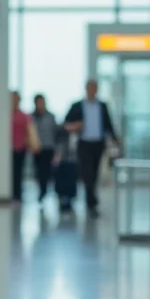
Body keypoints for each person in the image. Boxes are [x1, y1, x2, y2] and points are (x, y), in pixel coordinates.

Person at [64, 79, 119, 218]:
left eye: (95, 88)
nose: (93, 91)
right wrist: (75, 126)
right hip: (84, 143)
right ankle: (91, 202)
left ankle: (91, 198)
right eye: (90, 88)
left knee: (94, 172)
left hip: (98, 143)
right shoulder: (77, 106)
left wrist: (114, 138)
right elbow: (66, 122)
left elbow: (108, 123)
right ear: (86, 89)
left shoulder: (102, 106)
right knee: (87, 172)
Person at [31, 94, 60, 203]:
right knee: (38, 171)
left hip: (48, 147)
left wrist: (57, 149)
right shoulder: (31, 117)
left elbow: (56, 133)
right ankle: (41, 191)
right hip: (36, 148)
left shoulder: (51, 117)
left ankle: (45, 191)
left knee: (46, 171)